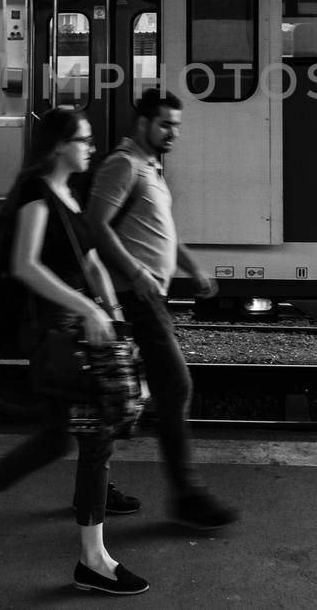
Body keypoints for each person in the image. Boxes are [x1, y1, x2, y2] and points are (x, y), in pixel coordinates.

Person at [0, 106, 149, 597]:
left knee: (65, 439)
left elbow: (90, 262)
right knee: (91, 440)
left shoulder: (68, 197)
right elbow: (26, 266)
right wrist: (88, 310)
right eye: (84, 139)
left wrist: (111, 312)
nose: (91, 147)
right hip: (56, 336)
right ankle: (93, 560)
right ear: (58, 146)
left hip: (80, 330)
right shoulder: (37, 197)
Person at [85, 89, 240, 531]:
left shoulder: (151, 168)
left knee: (116, 397)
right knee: (175, 386)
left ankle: (94, 482)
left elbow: (162, 232)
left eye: (177, 126)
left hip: (150, 294)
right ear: (143, 123)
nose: (173, 133)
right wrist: (135, 274)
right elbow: (95, 226)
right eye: (166, 125)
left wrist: (192, 267)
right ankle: (187, 495)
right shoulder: (123, 165)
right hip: (136, 297)